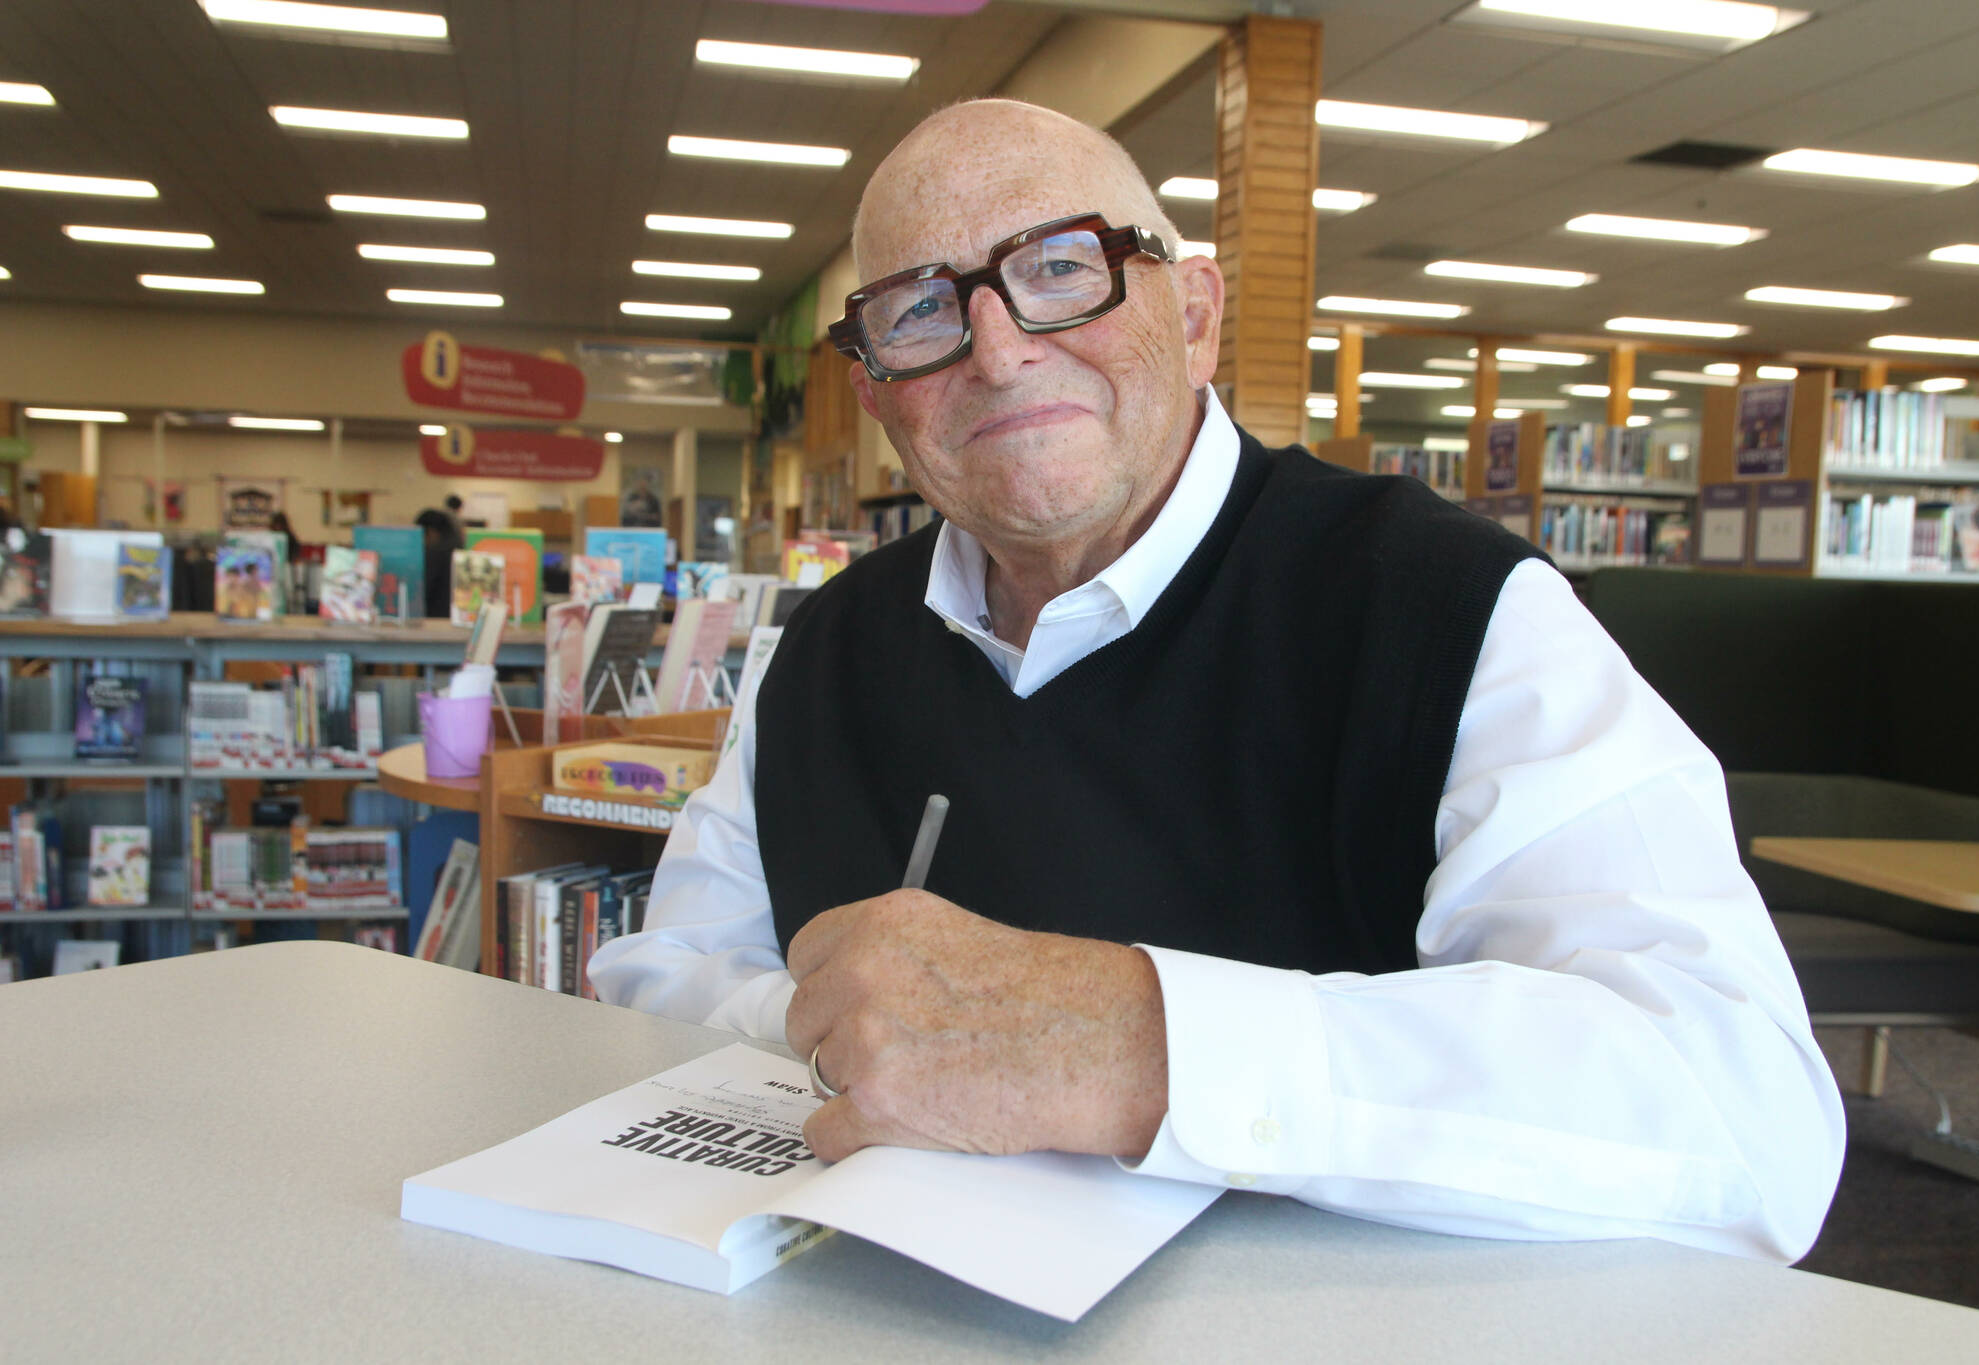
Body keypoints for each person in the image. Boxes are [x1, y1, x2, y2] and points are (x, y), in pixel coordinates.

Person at [590, 99, 1845, 1263]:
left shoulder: (1451, 610)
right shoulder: (824, 647)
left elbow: (1743, 1116)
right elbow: (660, 989)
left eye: (1058, 268)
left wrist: (1141, 1048)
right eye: (918, 311)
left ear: (1191, 316)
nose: (995, 348)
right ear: (876, 395)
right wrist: (874, 1035)